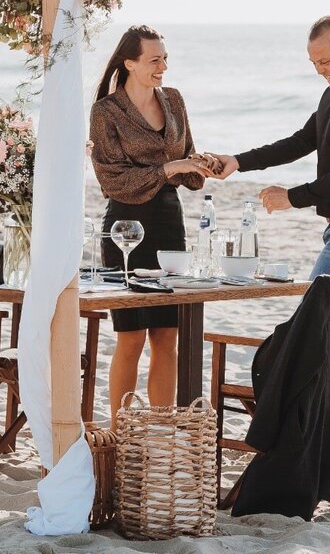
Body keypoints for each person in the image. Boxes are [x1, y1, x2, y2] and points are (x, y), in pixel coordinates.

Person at [210, 16, 330, 280]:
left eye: (325, 61)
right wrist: (238, 161)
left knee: (317, 308)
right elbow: (301, 141)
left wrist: (291, 198)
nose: (319, 70)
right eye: (314, 63)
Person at [89, 25, 215, 425]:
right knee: (130, 338)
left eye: (165, 57)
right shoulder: (106, 112)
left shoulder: (174, 101)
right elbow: (111, 180)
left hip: (168, 224)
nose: (164, 66)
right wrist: (169, 168)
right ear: (129, 63)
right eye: (154, 59)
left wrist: (200, 164)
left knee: (166, 336)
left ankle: (160, 428)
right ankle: (121, 430)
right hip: (126, 226)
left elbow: (186, 155)